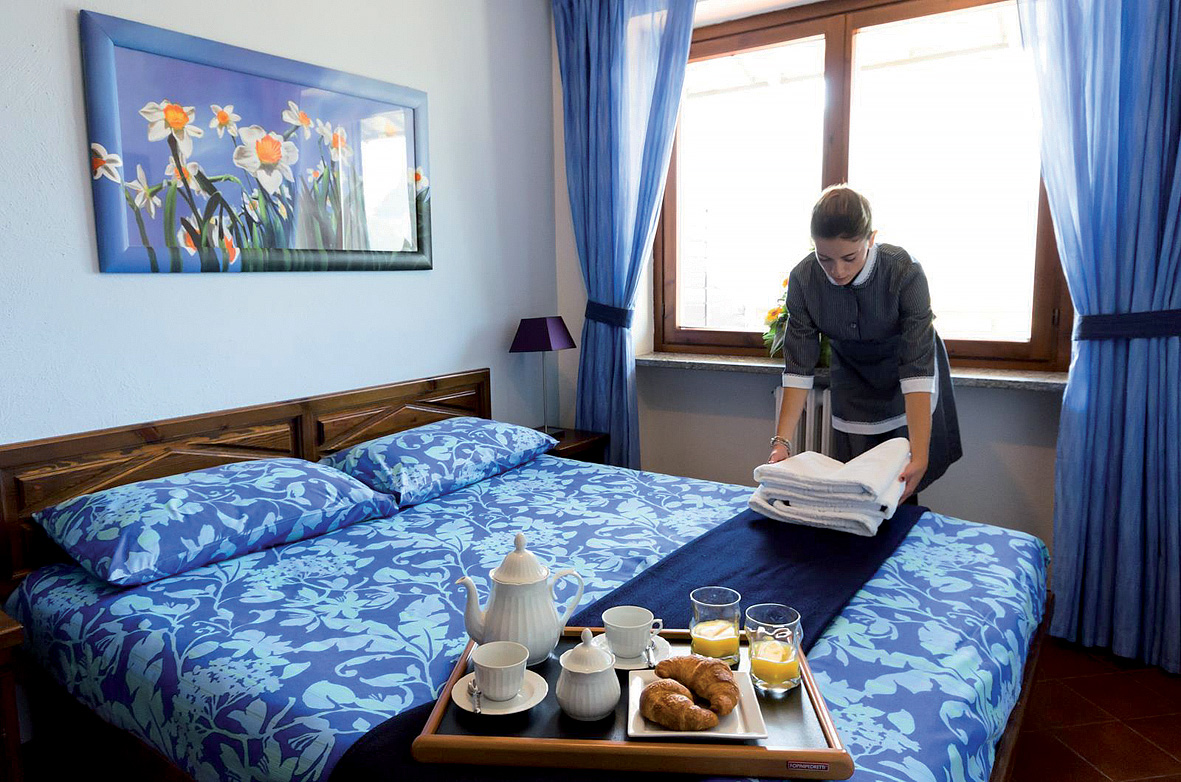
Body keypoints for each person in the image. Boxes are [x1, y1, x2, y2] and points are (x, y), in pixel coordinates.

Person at [768, 185, 962, 500]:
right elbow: (798, 366)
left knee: (902, 478)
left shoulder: (904, 271)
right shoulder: (803, 279)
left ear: (871, 239)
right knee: (855, 483)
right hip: (852, 372)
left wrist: (920, 455)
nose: (838, 270)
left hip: (908, 373)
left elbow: (916, 368)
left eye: (849, 257)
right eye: (824, 258)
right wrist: (781, 443)